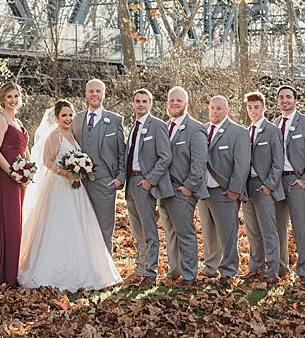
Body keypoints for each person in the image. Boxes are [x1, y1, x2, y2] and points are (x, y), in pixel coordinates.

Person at [18, 101, 122, 291]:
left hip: (75, 188)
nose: (67, 119)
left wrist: (80, 170)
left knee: (79, 227)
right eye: (63, 115)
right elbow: (46, 162)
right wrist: (66, 173)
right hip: (58, 187)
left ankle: (83, 269)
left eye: (70, 115)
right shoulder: (54, 136)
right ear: (56, 118)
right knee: (58, 226)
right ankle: (50, 271)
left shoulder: (72, 136)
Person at [158, 87, 208, 286]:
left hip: (182, 191)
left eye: (179, 100)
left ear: (186, 103)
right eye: (171, 101)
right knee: (170, 233)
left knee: (185, 233)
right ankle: (174, 270)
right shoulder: (164, 127)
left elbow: (199, 163)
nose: (174, 103)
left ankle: (189, 276)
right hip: (165, 190)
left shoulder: (195, 128)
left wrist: (189, 187)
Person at [124, 89, 174, 285]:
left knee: (149, 230)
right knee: (137, 231)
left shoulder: (158, 126)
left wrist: (150, 180)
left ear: (151, 104)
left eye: (145, 101)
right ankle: (140, 267)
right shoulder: (133, 126)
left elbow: (165, 156)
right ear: (133, 104)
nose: (141, 104)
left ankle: (151, 273)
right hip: (130, 182)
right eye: (137, 101)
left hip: (145, 184)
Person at [274, 85, 305, 282]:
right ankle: (281, 266)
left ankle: (304, 268)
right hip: (277, 181)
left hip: (296, 180)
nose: (284, 100)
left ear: (295, 100)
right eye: (281, 97)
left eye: (288, 97)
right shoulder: (275, 123)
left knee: (299, 226)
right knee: (279, 226)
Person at [197, 95, 249, 283]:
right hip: (204, 191)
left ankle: (228, 270)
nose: (215, 112)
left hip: (224, 191)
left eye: (219, 108)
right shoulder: (201, 130)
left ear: (227, 109)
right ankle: (210, 267)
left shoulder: (238, 132)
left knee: (227, 234)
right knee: (208, 232)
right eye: (212, 108)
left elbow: (242, 164)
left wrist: (234, 190)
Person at [72, 78, 126, 252]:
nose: (94, 94)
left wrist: (120, 177)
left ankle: (105, 271)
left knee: (104, 228)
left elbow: (122, 152)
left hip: (105, 181)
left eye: (98, 91)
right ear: (85, 94)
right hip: (78, 183)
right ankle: (85, 268)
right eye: (91, 91)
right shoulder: (76, 119)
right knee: (81, 226)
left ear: (103, 93)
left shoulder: (115, 120)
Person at [241, 92, 284, 282]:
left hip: (264, 185)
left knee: (268, 230)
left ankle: (272, 271)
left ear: (264, 107)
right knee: (252, 230)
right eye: (250, 108)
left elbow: (278, 161)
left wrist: (269, 185)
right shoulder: (245, 131)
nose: (253, 111)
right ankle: (255, 267)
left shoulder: (272, 130)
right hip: (247, 186)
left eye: (256, 107)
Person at [0, 82, 30, 286]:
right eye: (9, 97)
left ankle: (14, 269)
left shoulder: (18, 121)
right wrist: (13, 173)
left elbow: (24, 149)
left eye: (16, 96)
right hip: (6, 178)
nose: (13, 100)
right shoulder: (1, 120)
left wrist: (29, 171)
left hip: (20, 178)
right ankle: (5, 273)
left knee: (17, 222)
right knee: (9, 222)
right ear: (2, 100)